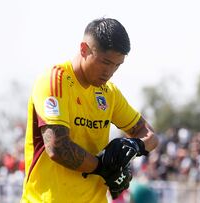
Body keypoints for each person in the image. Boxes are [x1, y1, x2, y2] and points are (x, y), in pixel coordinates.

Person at [21, 18, 159, 203]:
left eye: (117, 65)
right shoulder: (54, 81)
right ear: (84, 49)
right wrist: (105, 168)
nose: (110, 72)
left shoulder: (109, 92)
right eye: (105, 62)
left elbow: (150, 136)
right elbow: (58, 147)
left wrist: (135, 146)